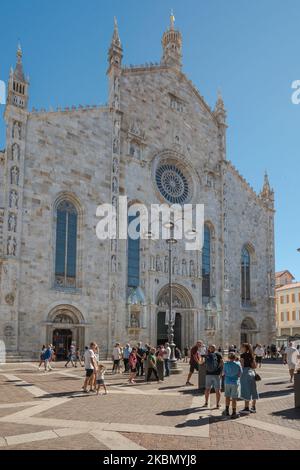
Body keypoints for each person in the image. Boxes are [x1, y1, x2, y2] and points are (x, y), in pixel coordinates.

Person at [240, 343, 258, 414]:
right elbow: (254, 366)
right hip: (252, 373)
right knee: (253, 390)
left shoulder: (242, 355)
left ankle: (246, 408)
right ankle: (253, 407)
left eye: (242, 347)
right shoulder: (252, 355)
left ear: (245, 348)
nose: (241, 348)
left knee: (246, 390)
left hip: (245, 373)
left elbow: (242, 366)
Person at [223, 352, 242, 418]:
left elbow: (223, 373)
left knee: (227, 396)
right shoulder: (238, 364)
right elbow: (240, 374)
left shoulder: (225, 364)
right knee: (234, 398)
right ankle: (234, 412)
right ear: (235, 357)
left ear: (228, 357)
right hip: (235, 382)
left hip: (227, 382)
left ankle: (227, 411)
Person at [204, 344, 223, 408]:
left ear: (209, 349)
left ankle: (206, 402)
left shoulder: (207, 355)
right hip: (216, 374)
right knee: (217, 390)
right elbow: (222, 363)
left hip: (208, 374)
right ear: (215, 348)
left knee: (207, 389)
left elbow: (202, 363)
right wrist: (220, 370)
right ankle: (217, 404)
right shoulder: (219, 355)